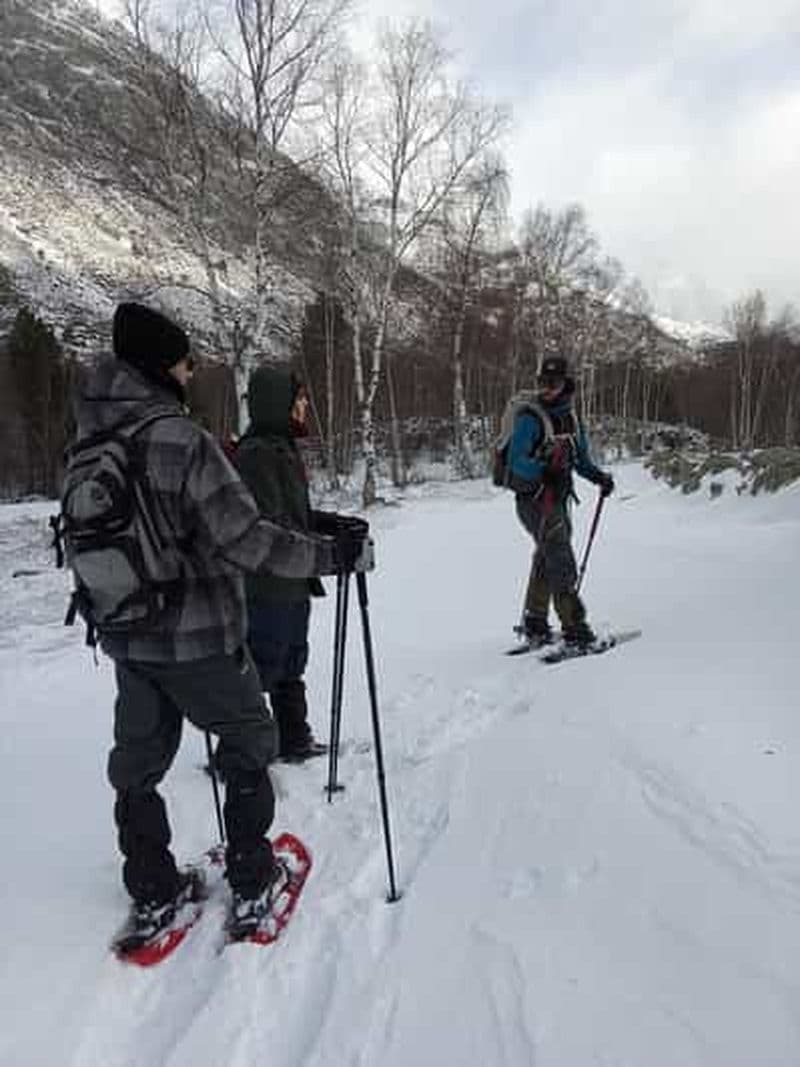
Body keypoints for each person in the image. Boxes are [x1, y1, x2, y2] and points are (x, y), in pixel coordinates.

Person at [65, 301, 348, 943]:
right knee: (250, 740)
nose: (192, 373)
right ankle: (252, 879)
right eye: (187, 361)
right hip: (198, 638)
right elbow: (247, 540)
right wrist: (329, 556)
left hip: (124, 634)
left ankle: (154, 887)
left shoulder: (87, 442)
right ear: (163, 365)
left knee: (137, 761)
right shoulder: (180, 439)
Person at [229, 364, 329, 762]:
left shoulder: (282, 448)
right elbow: (267, 523)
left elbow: (292, 513)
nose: (304, 405)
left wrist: (327, 525)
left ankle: (293, 738)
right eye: (299, 399)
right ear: (279, 404)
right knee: (259, 665)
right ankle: (238, 752)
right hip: (265, 583)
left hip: (293, 579)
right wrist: (317, 545)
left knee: (291, 660)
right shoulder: (255, 454)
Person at [506, 354, 614, 648]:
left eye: (552, 383)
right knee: (561, 559)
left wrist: (599, 478)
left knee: (547, 554)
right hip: (533, 501)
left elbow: (579, 460)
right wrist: (544, 472)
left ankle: (536, 621)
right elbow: (516, 461)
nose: (546, 389)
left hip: (558, 499)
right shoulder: (531, 418)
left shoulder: (570, 418)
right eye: (542, 382)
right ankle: (575, 627)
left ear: (566, 384)